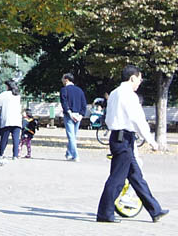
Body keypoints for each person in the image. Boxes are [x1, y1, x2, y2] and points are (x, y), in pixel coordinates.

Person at [96, 65, 169, 224]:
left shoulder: (114, 93)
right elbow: (138, 119)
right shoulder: (128, 95)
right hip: (124, 139)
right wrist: (151, 141)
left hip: (118, 137)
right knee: (117, 179)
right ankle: (104, 213)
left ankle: (155, 210)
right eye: (139, 79)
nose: (140, 83)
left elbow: (108, 118)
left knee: (136, 177)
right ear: (132, 78)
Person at [60, 72, 87, 162]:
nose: (62, 80)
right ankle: (69, 153)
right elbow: (84, 104)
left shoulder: (64, 90)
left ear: (66, 79)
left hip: (69, 115)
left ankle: (75, 155)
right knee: (73, 135)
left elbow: (64, 103)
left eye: (63, 78)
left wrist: (69, 113)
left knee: (71, 136)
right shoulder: (79, 90)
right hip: (78, 115)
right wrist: (81, 115)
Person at [0, 80, 22, 160]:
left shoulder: (4, 95)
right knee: (16, 139)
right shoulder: (18, 95)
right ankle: (15, 155)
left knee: (4, 138)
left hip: (7, 119)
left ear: (8, 86)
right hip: (17, 120)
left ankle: (1, 153)